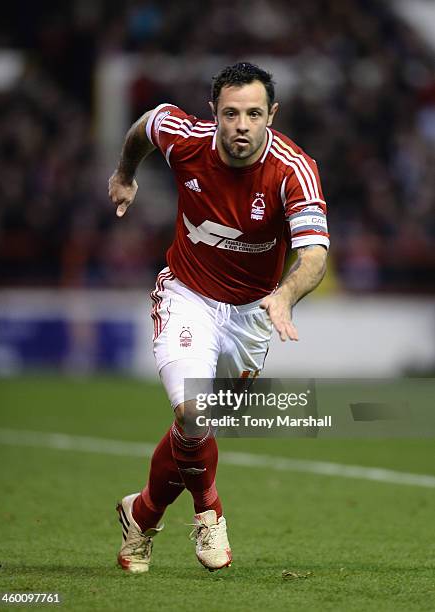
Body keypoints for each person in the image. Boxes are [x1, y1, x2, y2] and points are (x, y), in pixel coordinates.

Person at [108, 62, 329, 573]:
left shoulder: (292, 169)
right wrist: (125, 173)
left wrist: (286, 294)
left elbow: (314, 254)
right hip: (188, 295)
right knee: (194, 411)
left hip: (253, 314)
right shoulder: (186, 139)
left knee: (195, 429)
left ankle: (140, 515)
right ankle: (211, 512)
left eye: (254, 113)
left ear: (271, 114)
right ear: (215, 113)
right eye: (231, 113)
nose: (242, 126)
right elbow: (146, 125)